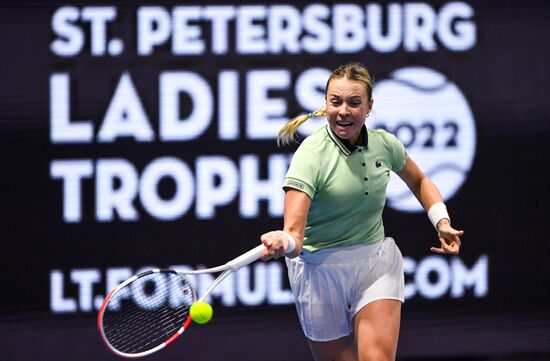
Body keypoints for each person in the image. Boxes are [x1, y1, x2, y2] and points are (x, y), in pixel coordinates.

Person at [260, 63, 463, 361]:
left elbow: (419, 180)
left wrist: (441, 220)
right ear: (326, 104)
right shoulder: (310, 156)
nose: (343, 111)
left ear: (369, 106)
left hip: (373, 262)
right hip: (318, 271)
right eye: (335, 102)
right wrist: (284, 242)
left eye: (354, 103)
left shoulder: (385, 145)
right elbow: (295, 237)